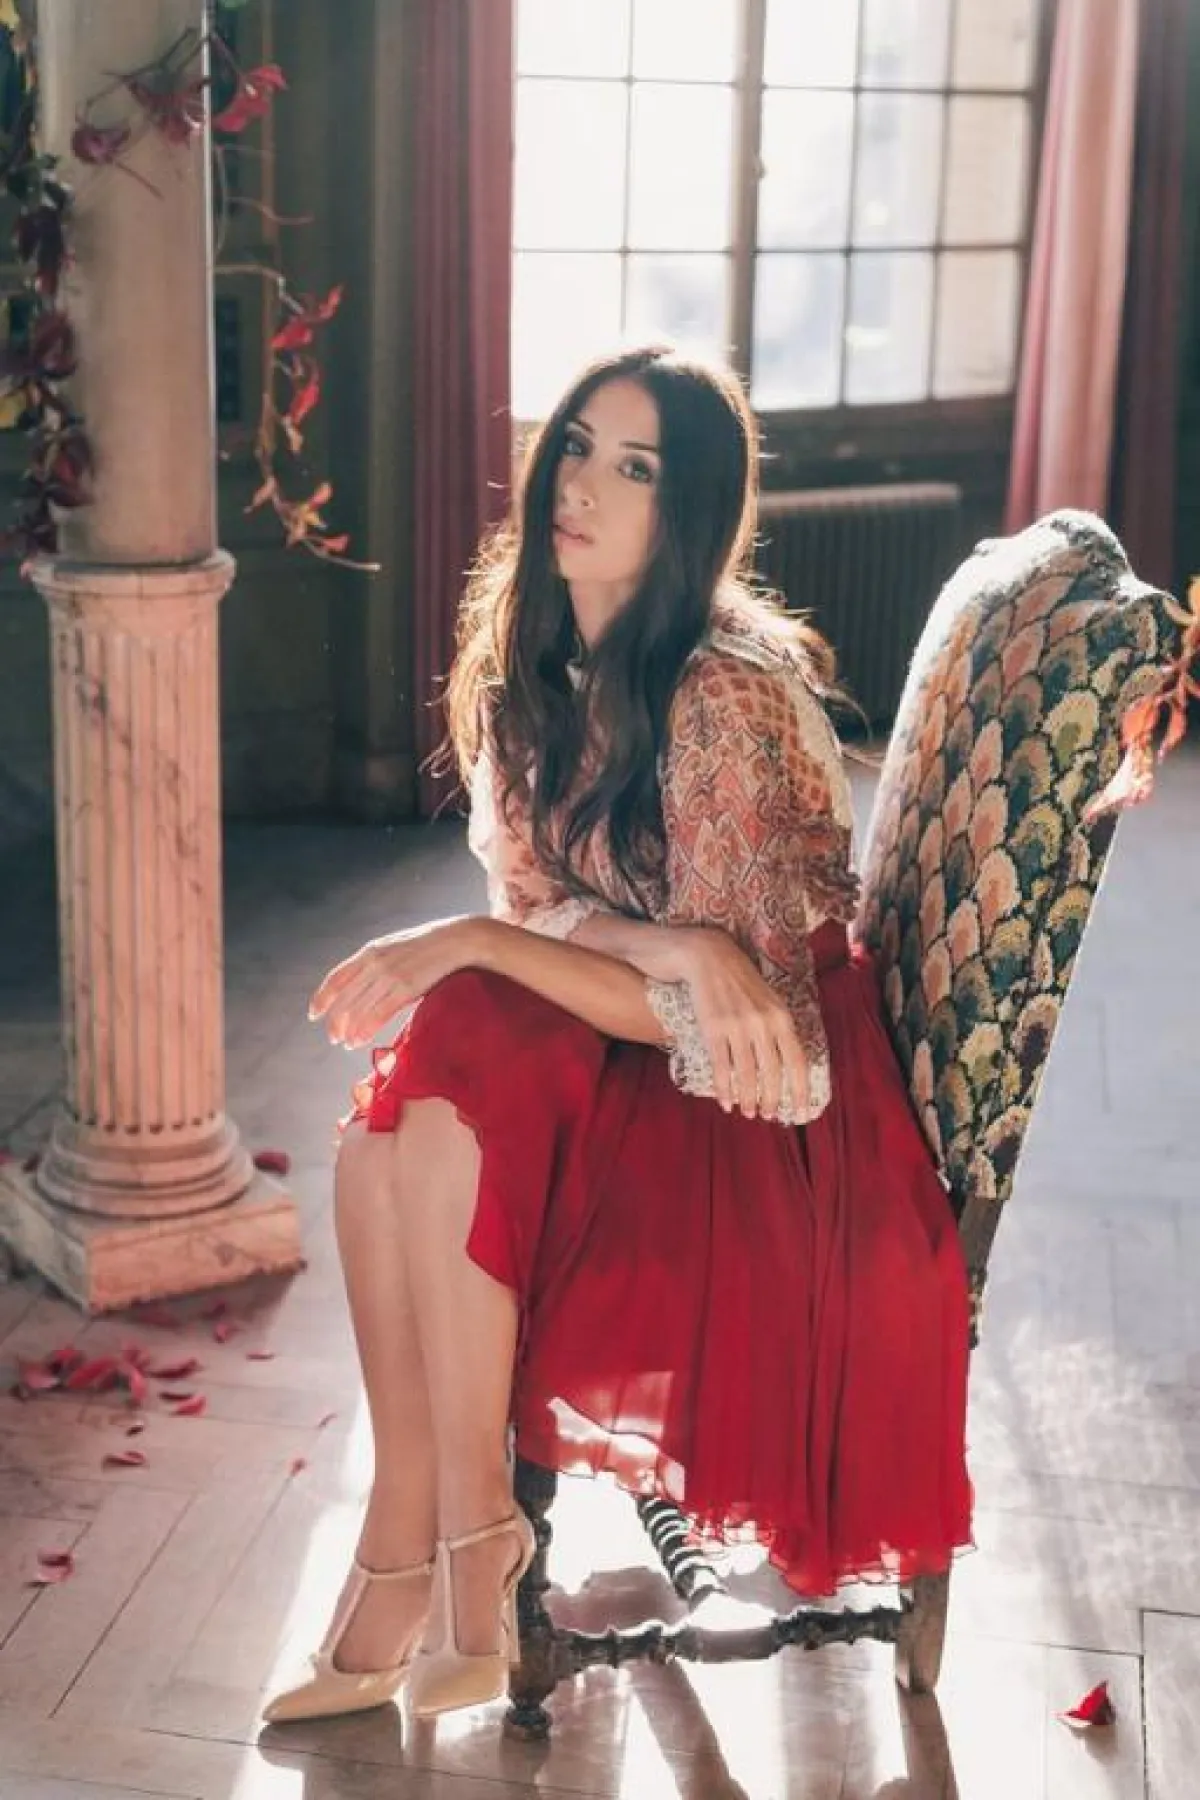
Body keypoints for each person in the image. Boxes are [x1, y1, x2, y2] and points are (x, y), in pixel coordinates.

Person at [263, 344, 973, 1727]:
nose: (579, 485)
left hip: (779, 1124)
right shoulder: (532, 661)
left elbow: (758, 1049)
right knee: (393, 1131)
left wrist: (483, 941)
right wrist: (658, 940)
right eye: (577, 445)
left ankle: (436, 1555)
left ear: (688, 513)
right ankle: (436, 1532)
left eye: (633, 468)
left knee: (464, 1021)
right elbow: (549, 908)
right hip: (649, 1040)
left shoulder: (721, 698)